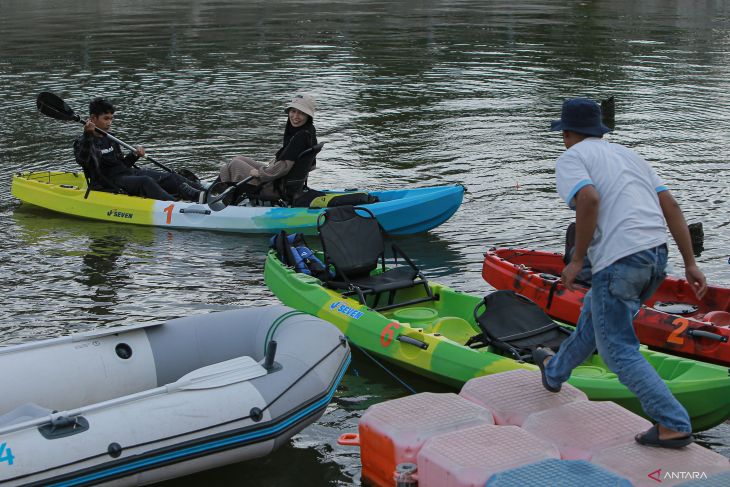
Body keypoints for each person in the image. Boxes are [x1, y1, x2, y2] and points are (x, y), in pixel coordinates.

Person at [533, 97, 708, 449]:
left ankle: (673, 423)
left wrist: (578, 259)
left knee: (617, 349)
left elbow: (589, 199)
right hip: (656, 257)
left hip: (620, 260)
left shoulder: (572, 157)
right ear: (599, 130)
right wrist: (690, 263)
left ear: (567, 133)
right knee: (593, 318)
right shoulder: (629, 155)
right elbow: (671, 205)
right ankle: (554, 373)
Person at [74, 98, 203, 202]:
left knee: (171, 177)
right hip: (107, 182)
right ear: (93, 118)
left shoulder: (111, 138)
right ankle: (175, 205)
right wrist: (88, 135)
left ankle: (204, 192)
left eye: (111, 118)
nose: (109, 123)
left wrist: (134, 155)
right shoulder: (82, 142)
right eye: (106, 118)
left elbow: (122, 164)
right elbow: (84, 160)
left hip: (126, 173)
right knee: (146, 181)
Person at [218, 93, 318, 201]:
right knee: (238, 159)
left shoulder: (301, 137)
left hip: (275, 188)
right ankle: (222, 193)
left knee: (234, 164)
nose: (295, 117)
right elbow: (308, 165)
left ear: (308, 116)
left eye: (301, 113)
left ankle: (215, 197)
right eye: (293, 111)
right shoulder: (308, 131)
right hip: (283, 182)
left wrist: (260, 173)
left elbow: (284, 167)